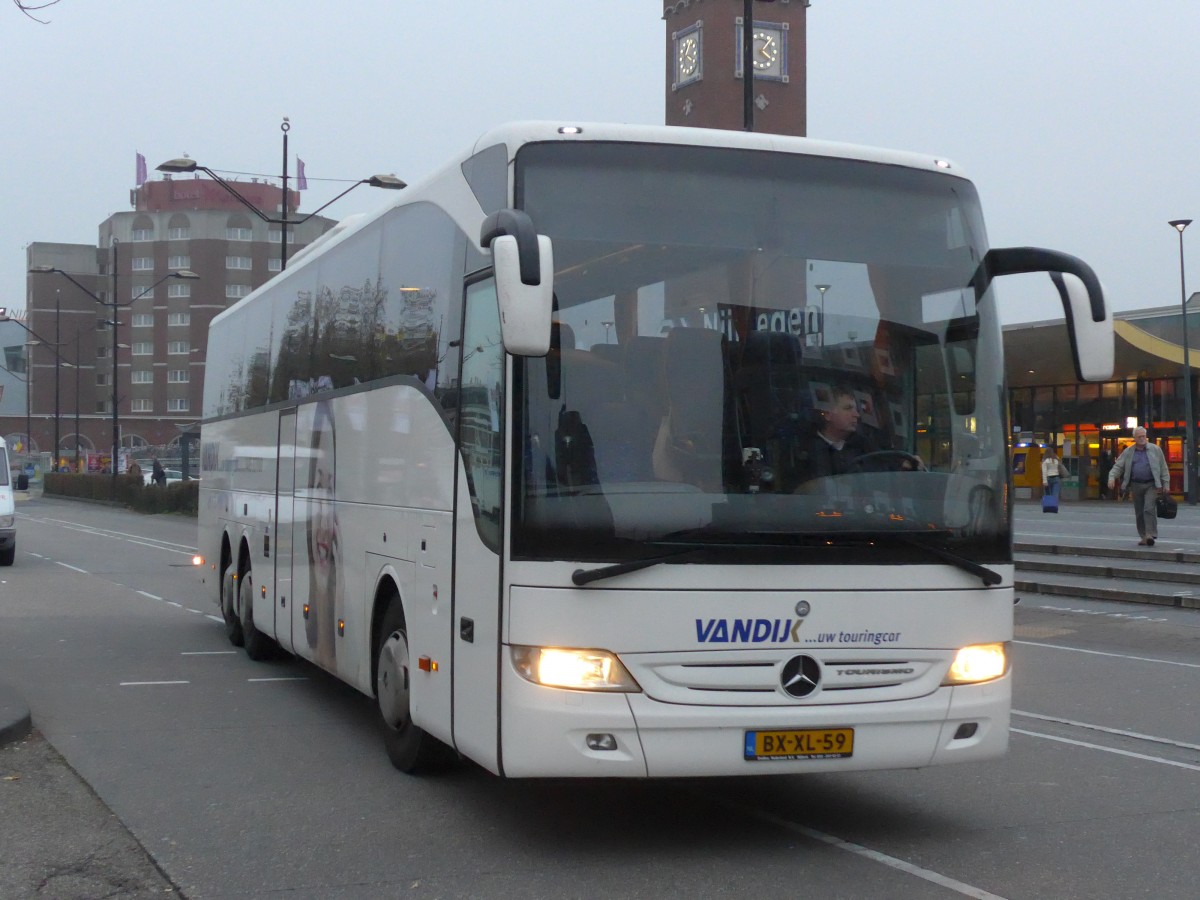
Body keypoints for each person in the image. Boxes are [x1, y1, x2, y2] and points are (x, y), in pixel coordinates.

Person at [1107, 427, 1169, 546]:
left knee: (1148, 508)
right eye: (1139, 437)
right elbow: (1118, 466)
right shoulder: (1129, 452)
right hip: (1136, 484)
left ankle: (1150, 534)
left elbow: (1163, 467)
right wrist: (1111, 477)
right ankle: (1144, 536)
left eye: (1143, 436)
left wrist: (1166, 483)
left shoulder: (1155, 449)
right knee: (1139, 512)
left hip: (1152, 484)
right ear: (1134, 438)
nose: (1142, 439)